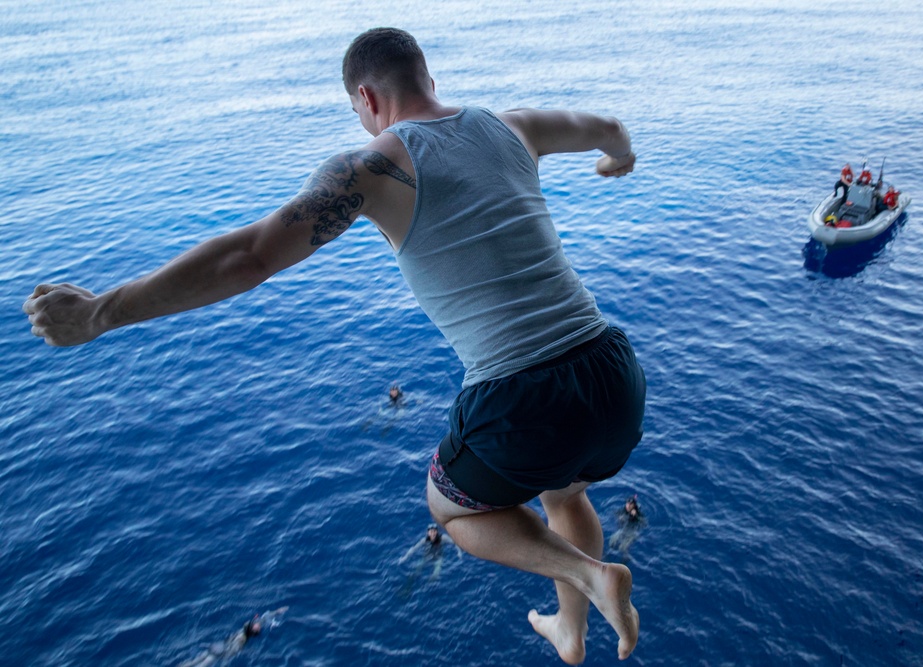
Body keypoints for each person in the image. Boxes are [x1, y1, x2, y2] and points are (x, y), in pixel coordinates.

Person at [23, 27, 644, 664]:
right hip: (612, 369)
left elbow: (247, 257)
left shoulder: (370, 167)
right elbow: (606, 126)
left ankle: (593, 576)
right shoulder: (513, 126)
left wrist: (100, 312)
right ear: (428, 81)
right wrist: (616, 157)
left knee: (452, 511)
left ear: (367, 98)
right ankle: (572, 630)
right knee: (565, 492)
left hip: (520, 392)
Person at [177, 607, 287, 667]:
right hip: (218, 653)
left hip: (216, 646)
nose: (258, 626)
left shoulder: (243, 629)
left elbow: (263, 619)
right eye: (256, 627)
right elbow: (229, 655)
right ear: (251, 631)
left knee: (194, 661)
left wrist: (277, 612)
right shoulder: (242, 640)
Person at [608, 495, 647, 562]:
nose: (628, 506)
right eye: (627, 503)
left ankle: (625, 558)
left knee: (622, 548)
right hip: (622, 529)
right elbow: (615, 513)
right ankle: (608, 555)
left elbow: (644, 523)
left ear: (634, 505)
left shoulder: (638, 513)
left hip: (632, 532)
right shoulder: (623, 510)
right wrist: (620, 518)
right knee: (611, 541)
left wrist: (636, 517)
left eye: (630, 504)